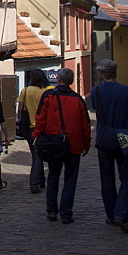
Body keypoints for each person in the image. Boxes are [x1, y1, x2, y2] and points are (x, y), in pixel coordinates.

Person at [89, 59, 128, 234]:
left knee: (107, 178)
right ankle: (122, 213)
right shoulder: (127, 91)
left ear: (102, 73)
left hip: (105, 138)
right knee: (126, 177)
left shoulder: (96, 92)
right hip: (124, 137)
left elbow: (97, 111)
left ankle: (111, 214)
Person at [33, 68, 90, 225]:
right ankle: (66, 212)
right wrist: (87, 144)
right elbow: (85, 125)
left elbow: (41, 118)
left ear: (58, 79)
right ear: (71, 81)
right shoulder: (78, 99)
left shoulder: (48, 96)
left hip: (53, 142)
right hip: (74, 144)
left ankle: (52, 210)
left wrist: (37, 136)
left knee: (53, 176)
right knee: (70, 179)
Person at [17, 69, 52, 194]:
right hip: (45, 128)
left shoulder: (25, 91)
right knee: (39, 156)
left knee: (36, 154)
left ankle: (41, 180)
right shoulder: (48, 91)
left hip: (30, 128)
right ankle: (34, 183)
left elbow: (20, 109)